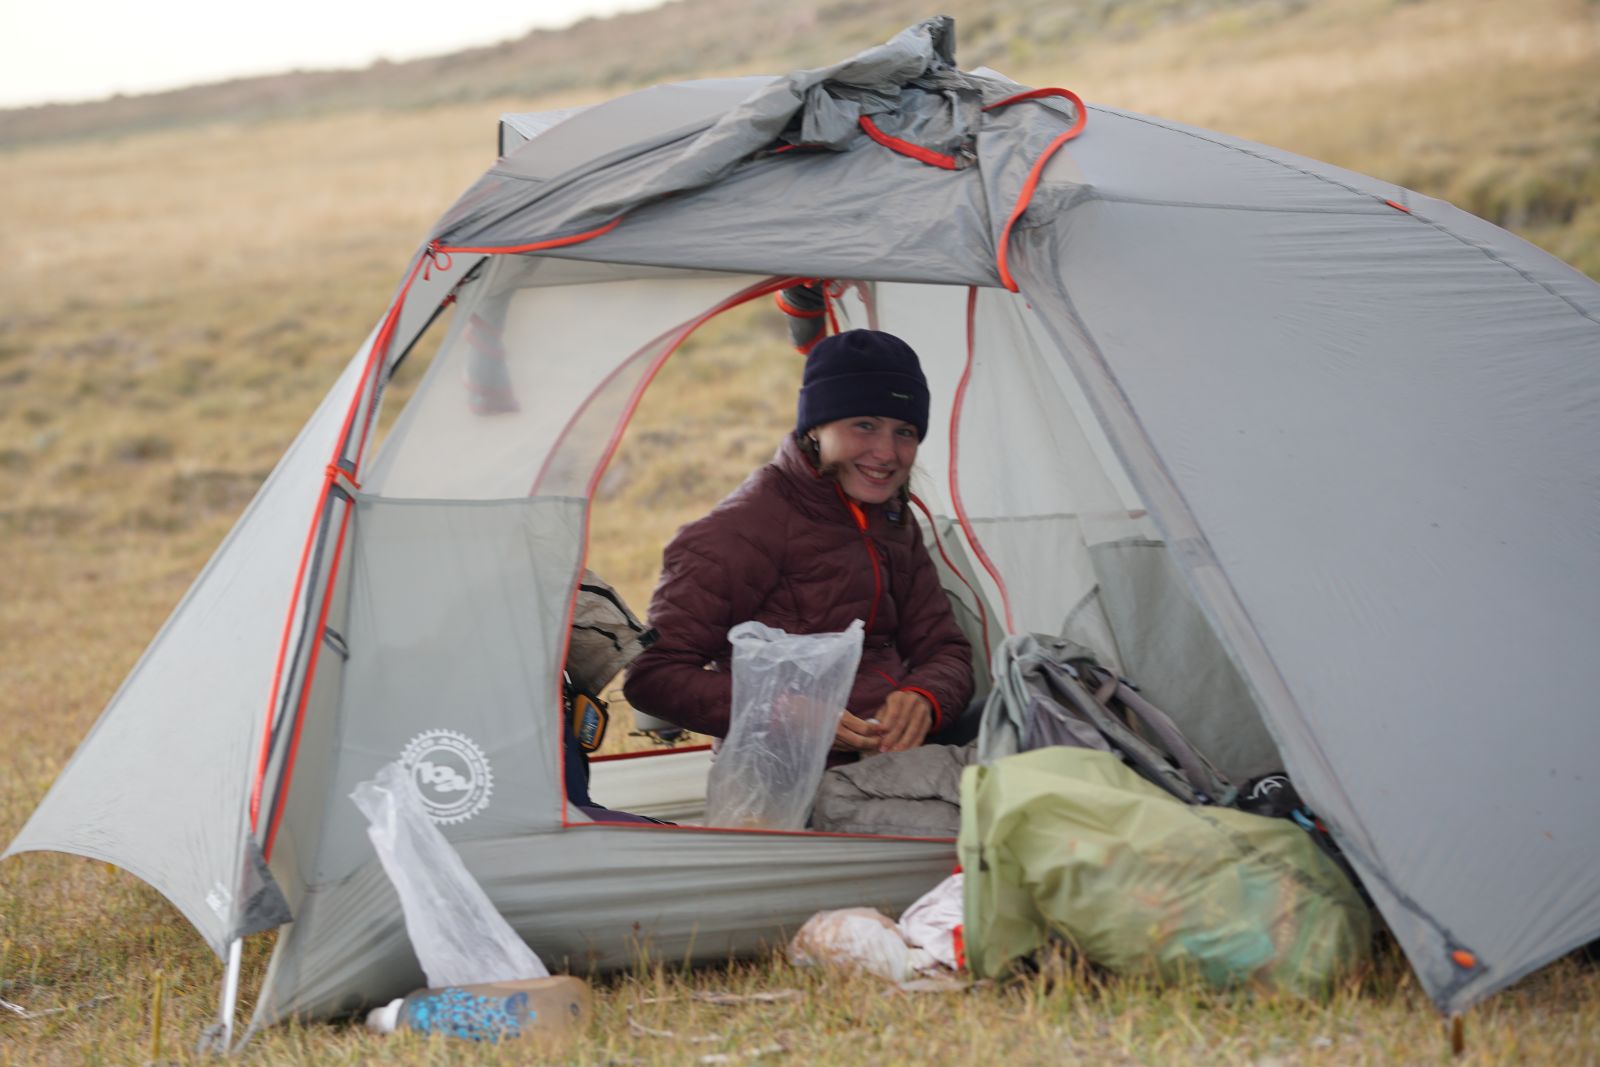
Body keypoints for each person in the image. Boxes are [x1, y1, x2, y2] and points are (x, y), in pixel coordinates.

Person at [624, 329, 974, 757]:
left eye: (905, 432)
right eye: (864, 425)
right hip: (788, 770)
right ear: (816, 428)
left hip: (898, 753)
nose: (887, 452)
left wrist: (925, 697)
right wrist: (782, 711)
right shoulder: (739, 530)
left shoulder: (891, 518)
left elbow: (945, 649)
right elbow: (652, 677)